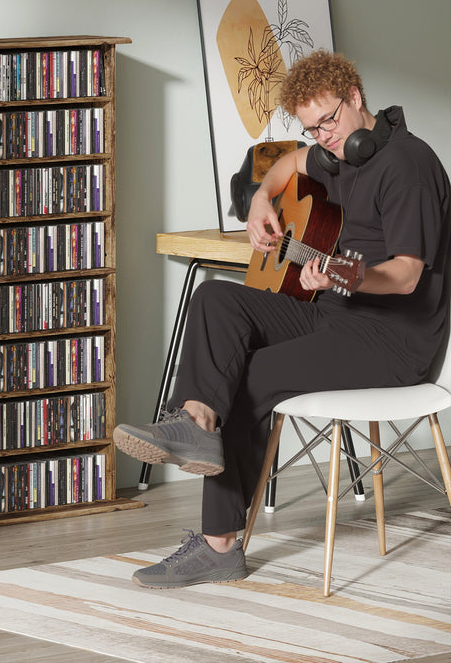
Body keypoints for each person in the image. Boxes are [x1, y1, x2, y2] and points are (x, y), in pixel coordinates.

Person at [114, 49, 451, 588]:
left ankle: (219, 545)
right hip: (339, 317)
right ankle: (196, 423)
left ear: (356, 100)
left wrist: (347, 274)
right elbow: (291, 163)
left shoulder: (408, 166)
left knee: (253, 375)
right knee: (215, 301)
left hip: (397, 342)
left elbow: (407, 275)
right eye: (314, 129)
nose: (325, 138)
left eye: (330, 122)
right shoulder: (343, 155)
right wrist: (261, 199)